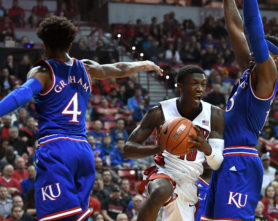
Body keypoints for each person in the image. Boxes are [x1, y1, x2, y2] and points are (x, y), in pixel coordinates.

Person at [0, 16, 163, 221]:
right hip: (83, 150)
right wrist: (144, 63)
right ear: (70, 43)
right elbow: (118, 69)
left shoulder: (43, 71)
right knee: (78, 215)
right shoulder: (86, 67)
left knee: (56, 216)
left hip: (56, 147)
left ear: (44, 45)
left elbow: (20, 95)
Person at [201, 0, 278, 220]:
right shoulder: (250, 73)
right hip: (224, 157)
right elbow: (236, 30)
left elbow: (252, 27)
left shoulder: (267, 76)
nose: (252, 53)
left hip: (241, 159)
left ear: (273, 59)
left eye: (259, 52)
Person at [124, 65, 224, 221]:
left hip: (190, 180)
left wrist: (207, 149)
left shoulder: (215, 114)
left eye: (203, 84)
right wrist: (157, 148)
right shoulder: (159, 112)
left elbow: (217, 163)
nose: (200, 89)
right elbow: (128, 150)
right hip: (164, 171)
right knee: (162, 190)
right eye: (194, 83)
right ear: (180, 86)